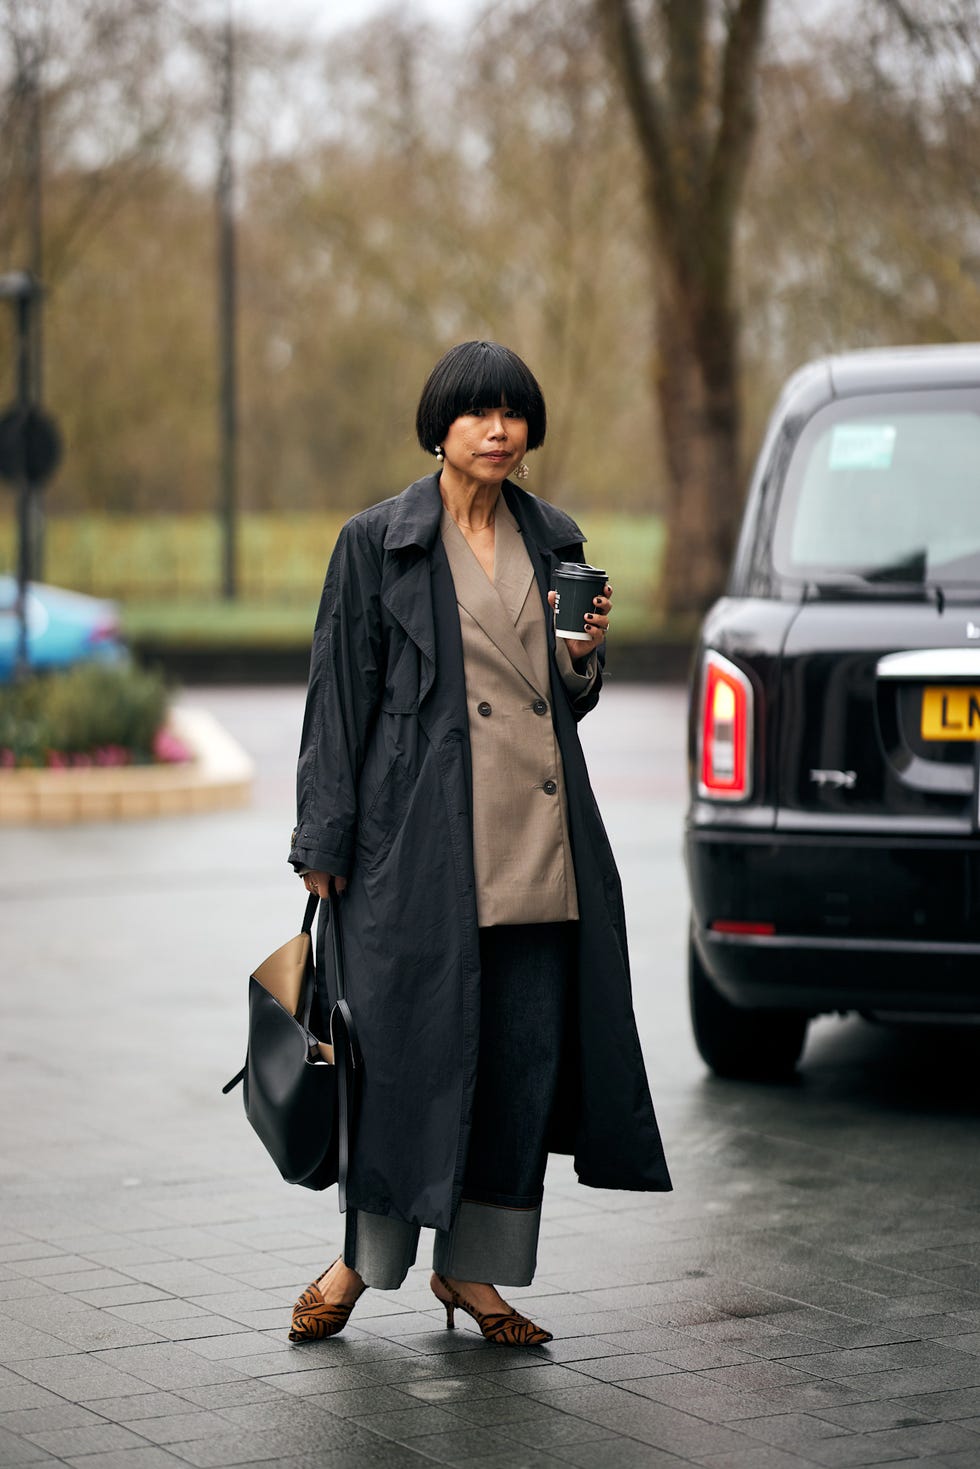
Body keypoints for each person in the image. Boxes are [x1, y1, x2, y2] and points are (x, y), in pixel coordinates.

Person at [287, 341, 670, 1347]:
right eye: (478, 413)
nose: (499, 430)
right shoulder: (376, 543)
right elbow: (338, 697)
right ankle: (357, 1265)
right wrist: (323, 835)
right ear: (440, 428)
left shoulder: (558, 537)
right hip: (413, 856)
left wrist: (583, 660)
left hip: (537, 844)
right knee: (396, 1068)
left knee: (515, 1069)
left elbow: (568, 699)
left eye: (515, 413)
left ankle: (475, 1273)